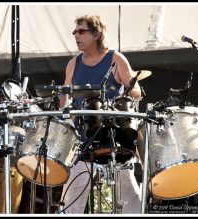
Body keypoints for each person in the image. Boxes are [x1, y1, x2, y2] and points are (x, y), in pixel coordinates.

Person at [58, 15, 142, 214]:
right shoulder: (73, 64)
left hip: (114, 137)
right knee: (71, 199)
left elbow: (136, 91)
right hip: (83, 139)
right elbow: (64, 101)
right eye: (74, 32)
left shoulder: (115, 58)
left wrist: (122, 97)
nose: (76, 36)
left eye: (81, 31)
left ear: (96, 34)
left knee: (128, 197)